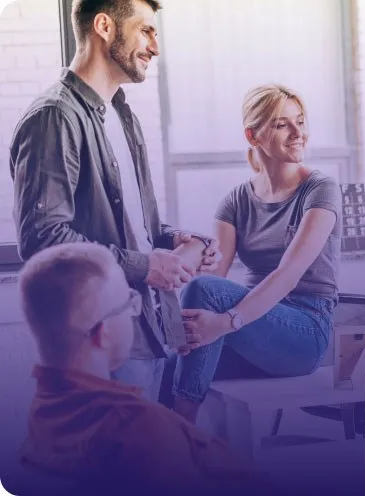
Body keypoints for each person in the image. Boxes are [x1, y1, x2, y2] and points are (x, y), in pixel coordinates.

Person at [9, 0, 218, 402]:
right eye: (145, 31)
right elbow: (42, 239)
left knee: (155, 462)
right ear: (104, 26)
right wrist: (146, 265)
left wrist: (171, 240)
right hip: (102, 347)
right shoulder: (54, 118)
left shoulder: (122, 115)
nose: (154, 47)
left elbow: (137, 227)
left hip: (150, 330)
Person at [12, 242, 281, 495]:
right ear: (103, 333)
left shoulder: (42, 415)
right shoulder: (143, 432)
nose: (134, 311)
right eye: (130, 303)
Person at [170, 84, 342, 423]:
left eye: (301, 122)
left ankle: (180, 429)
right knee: (165, 361)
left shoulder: (321, 188)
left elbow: (287, 275)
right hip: (250, 328)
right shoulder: (236, 200)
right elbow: (210, 278)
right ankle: (153, 455)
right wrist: (194, 258)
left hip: (304, 331)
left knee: (205, 298)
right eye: (282, 124)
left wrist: (225, 322)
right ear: (253, 136)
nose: (298, 133)